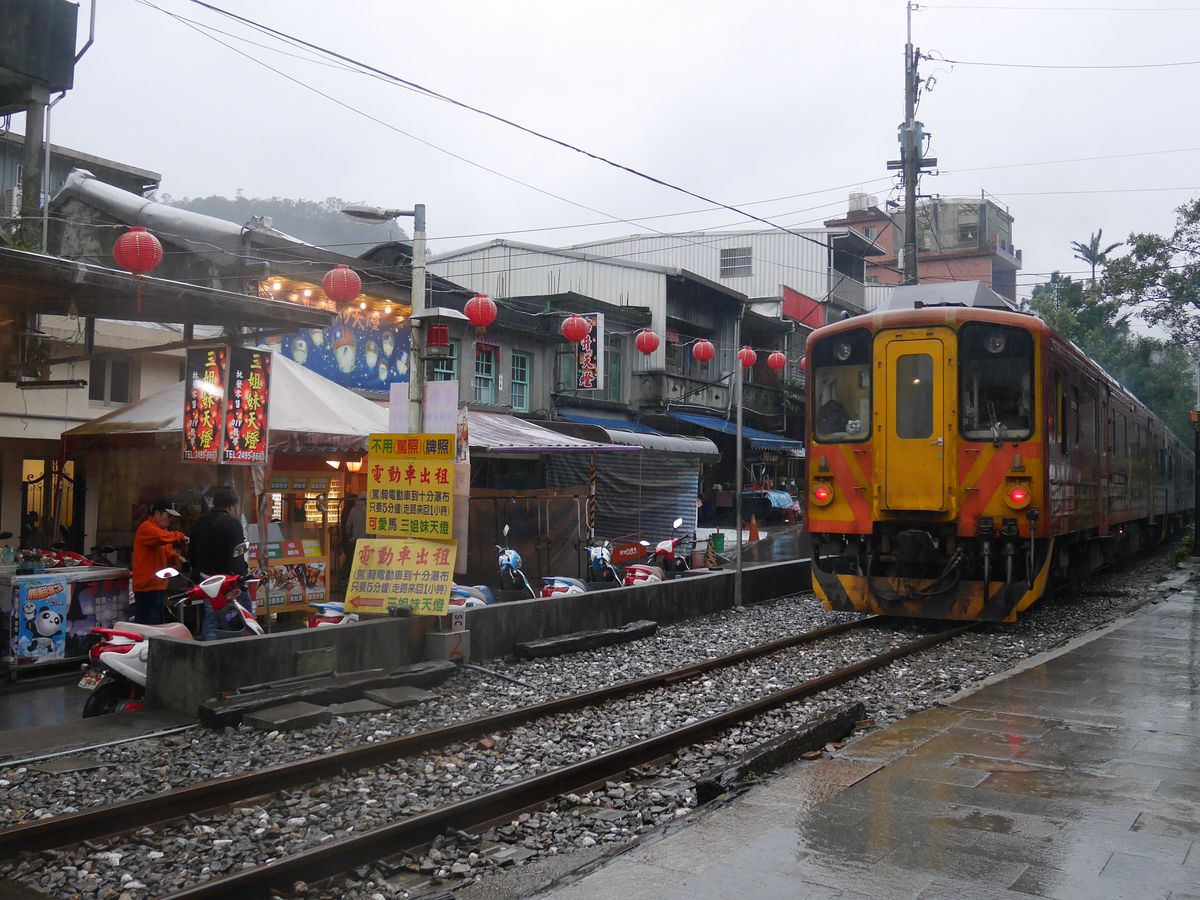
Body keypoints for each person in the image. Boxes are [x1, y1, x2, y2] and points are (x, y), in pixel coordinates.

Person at [189, 487, 250, 640]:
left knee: (212, 615)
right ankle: (240, 642)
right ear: (232, 506)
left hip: (207, 580)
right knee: (243, 613)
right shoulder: (233, 523)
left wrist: (198, 571)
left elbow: (191, 551)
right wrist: (241, 580)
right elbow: (237, 554)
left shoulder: (200, 522)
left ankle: (209, 647)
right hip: (228, 581)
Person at [131, 500, 188, 625]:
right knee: (148, 626)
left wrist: (176, 558)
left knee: (157, 625)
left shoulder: (161, 531)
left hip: (157, 586)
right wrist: (180, 536)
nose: (170, 520)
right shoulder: (147, 528)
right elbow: (161, 537)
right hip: (146, 589)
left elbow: (167, 552)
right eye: (168, 516)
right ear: (157, 513)